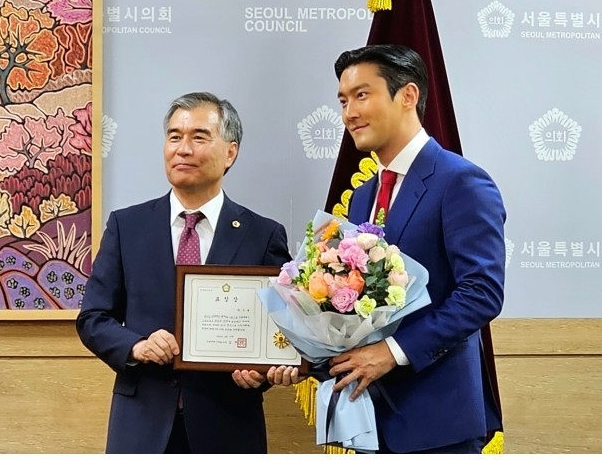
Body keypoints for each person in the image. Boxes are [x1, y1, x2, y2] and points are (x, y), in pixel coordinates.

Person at [76, 92, 300, 454]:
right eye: (174, 136)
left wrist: (262, 374)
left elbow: (282, 331)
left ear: (230, 152)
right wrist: (136, 345)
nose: (183, 149)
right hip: (142, 427)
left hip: (227, 426)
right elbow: (93, 319)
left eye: (199, 137)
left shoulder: (263, 235)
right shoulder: (127, 226)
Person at [328, 45, 505, 454]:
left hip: (438, 418)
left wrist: (392, 352)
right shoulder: (363, 195)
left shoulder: (460, 181)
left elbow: (481, 292)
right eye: (343, 101)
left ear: (408, 95)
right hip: (369, 417)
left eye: (361, 95)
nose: (349, 113)